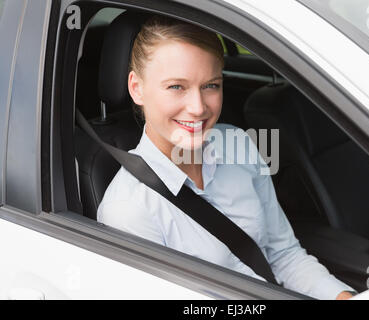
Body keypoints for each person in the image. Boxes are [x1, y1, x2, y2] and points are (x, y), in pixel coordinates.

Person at [97, 15, 355, 300]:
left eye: (211, 85)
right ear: (137, 88)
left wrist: (342, 297)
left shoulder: (237, 143)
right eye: (176, 87)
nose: (197, 108)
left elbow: (283, 255)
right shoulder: (128, 210)